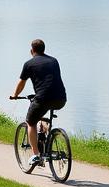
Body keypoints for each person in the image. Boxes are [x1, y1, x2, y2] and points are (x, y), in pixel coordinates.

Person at [9, 38, 67, 173]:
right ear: (44, 49)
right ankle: (47, 134)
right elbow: (51, 80)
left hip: (43, 98)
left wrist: (15, 95)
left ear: (31, 50)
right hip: (61, 99)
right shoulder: (54, 61)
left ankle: (35, 155)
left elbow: (21, 83)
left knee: (30, 122)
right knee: (42, 113)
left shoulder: (29, 64)